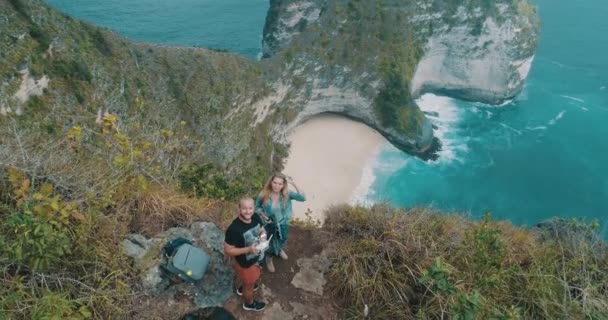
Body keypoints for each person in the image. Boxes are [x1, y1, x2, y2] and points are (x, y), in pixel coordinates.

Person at [255, 173, 305, 273]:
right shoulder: (264, 194)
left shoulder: (287, 194)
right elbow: (257, 207)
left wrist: (293, 183)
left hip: (283, 223)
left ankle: (279, 249)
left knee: (283, 238)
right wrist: (264, 216)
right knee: (269, 241)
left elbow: (302, 198)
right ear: (271, 182)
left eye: (280, 184)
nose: (277, 186)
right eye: (275, 183)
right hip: (269, 224)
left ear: (283, 185)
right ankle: (269, 257)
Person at [223, 197, 267, 312]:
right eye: (244, 208)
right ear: (239, 208)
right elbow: (228, 250)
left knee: (250, 281)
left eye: (250, 208)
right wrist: (248, 250)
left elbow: (262, 229)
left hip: (256, 257)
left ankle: (244, 286)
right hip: (246, 264)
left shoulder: (256, 216)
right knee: (249, 286)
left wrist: (263, 238)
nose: (248, 212)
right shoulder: (234, 229)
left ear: (253, 208)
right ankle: (249, 304)